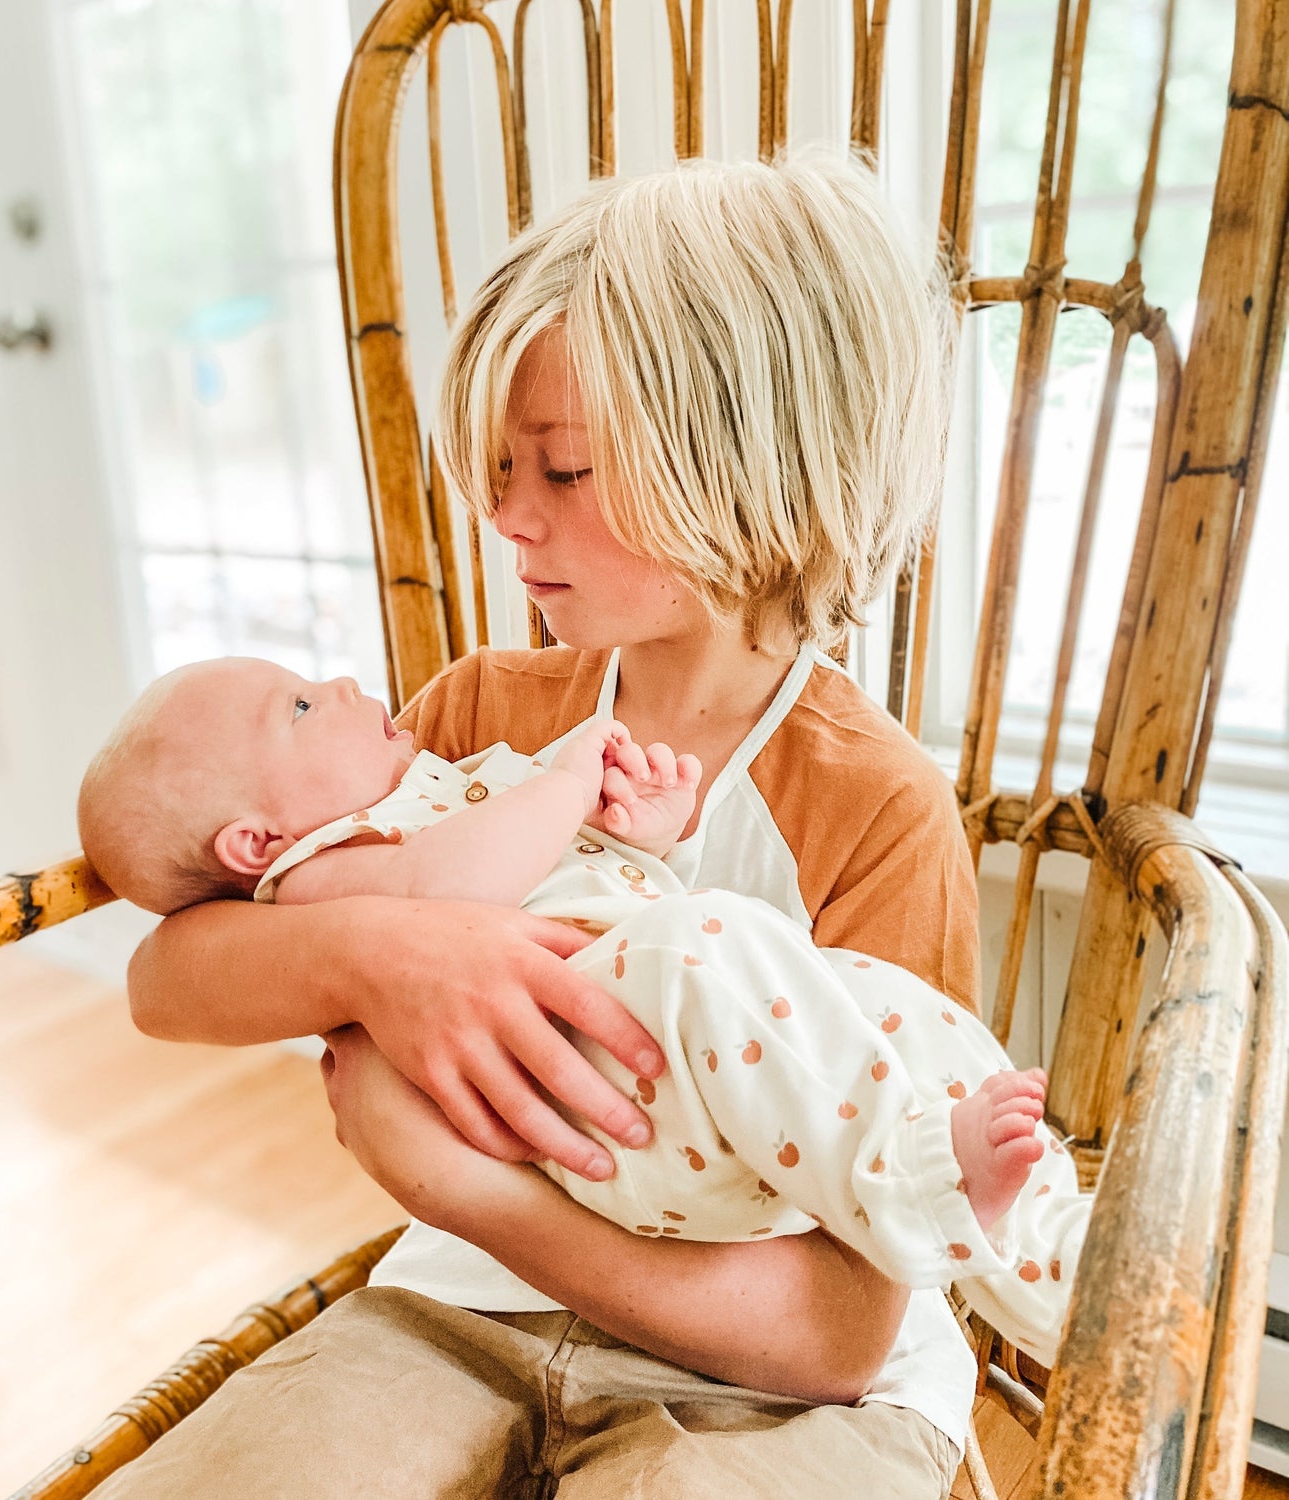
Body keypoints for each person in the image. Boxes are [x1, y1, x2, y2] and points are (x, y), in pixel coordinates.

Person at [92, 153, 1001, 1498]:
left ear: (753, 468)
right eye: (504, 467)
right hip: (462, 1310)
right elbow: (167, 975)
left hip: (764, 1381)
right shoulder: (473, 721)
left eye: (565, 470)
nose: (509, 518)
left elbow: (837, 1331)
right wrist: (384, 961)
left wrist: (471, 1194)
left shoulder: (874, 811)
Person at [79, 659, 1089, 1367]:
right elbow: (452, 888)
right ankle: (915, 1187)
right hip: (621, 1126)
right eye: (298, 710)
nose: (339, 684)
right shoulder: (335, 859)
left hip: (737, 1171)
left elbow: (608, 910)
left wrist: (650, 847)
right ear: (259, 844)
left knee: (886, 1004)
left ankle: (1049, 1259)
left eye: (564, 468)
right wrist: (562, 789)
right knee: (712, 939)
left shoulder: (877, 795)